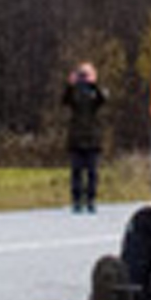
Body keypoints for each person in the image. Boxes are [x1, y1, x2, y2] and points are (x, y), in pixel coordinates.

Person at [61, 59, 109, 213]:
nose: (83, 78)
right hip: (76, 138)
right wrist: (71, 84)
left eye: (85, 74)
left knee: (92, 172)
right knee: (76, 171)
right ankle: (76, 200)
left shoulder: (95, 93)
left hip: (92, 139)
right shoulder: (74, 92)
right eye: (81, 74)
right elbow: (64, 101)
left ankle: (91, 200)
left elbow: (103, 99)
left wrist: (93, 83)